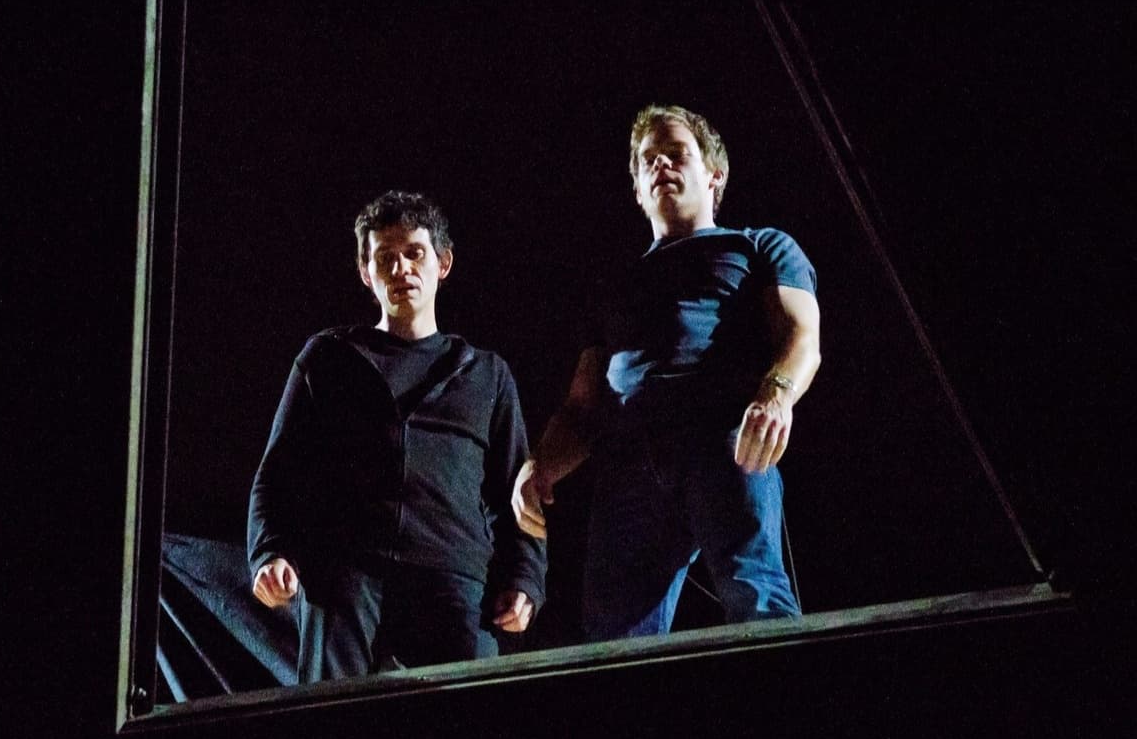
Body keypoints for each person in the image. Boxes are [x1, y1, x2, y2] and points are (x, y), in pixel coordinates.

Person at [512, 104, 821, 639]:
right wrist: (539, 466)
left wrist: (776, 395)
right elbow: (582, 405)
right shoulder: (616, 284)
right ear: (637, 190)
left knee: (756, 598)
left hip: (723, 443)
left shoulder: (758, 244)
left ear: (714, 174)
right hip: (627, 460)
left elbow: (803, 337)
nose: (661, 166)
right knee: (613, 640)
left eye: (676, 154)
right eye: (648, 160)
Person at [248, 190, 545, 682]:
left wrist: (525, 578)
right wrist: (269, 550)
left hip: (452, 575)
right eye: (384, 257)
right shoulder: (327, 358)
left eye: (414, 253)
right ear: (366, 272)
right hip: (347, 571)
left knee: (471, 711)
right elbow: (277, 474)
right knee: (332, 712)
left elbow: (518, 491)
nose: (400, 268)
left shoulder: (485, 374)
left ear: (443, 263)